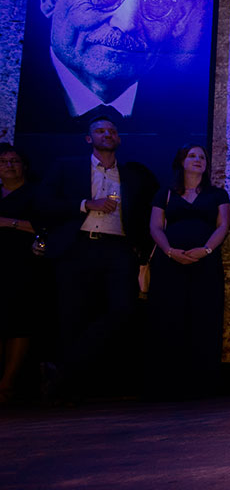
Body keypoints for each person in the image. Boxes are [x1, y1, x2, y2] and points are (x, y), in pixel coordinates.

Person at [15, 0, 208, 177]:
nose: (127, 23)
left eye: (158, 2)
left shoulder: (186, 119)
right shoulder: (15, 97)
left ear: (181, 16)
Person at [35, 116, 158, 401]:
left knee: (123, 309)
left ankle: (63, 369)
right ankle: (71, 389)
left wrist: (141, 250)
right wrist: (84, 204)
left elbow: (144, 213)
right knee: (72, 315)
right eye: (100, 131)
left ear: (119, 139)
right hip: (77, 247)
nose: (108, 134)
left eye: (112, 131)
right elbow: (42, 204)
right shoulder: (66, 167)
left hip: (117, 249)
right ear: (88, 139)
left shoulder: (132, 175)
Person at [146, 144, 230, 398]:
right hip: (169, 262)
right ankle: (168, 385)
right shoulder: (166, 193)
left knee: (205, 318)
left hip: (205, 262)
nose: (198, 160)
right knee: (169, 319)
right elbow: (155, 227)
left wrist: (205, 250)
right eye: (192, 156)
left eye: (202, 157)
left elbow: (223, 226)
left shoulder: (217, 194)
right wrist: (170, 251)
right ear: (181, 162)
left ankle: (203, 385)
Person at [0, 145, 40, 403]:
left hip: (23, 264)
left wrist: (9, 222)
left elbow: (47, 226)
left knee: (19, 323)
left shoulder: (35, 193)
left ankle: (7, 383)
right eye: (3, 161)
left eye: (14, 160)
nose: (9, 165)